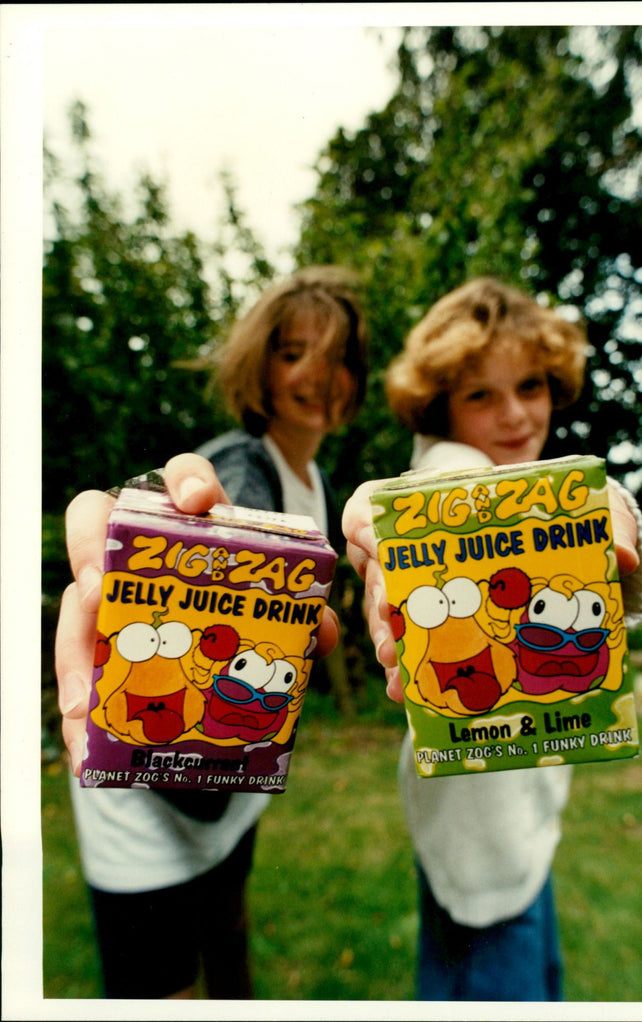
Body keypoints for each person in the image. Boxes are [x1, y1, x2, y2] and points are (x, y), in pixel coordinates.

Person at [55, 265, 368, 999]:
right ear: (258, 365)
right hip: (150, 795)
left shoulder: (314, 478)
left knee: (227, 941)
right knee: (164, 986)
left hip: (225, 781)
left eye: (338, 358)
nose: (319, 377)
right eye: (295, 353)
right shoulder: (241, 466)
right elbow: (179, 511)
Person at [342, 277, 642, 1001]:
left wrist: (610, 516)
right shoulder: (457, 471)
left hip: (516, 833)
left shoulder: (514, 475)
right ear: (443, 407)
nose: (515, 415)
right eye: (481, 395)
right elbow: (451, 498)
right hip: (482, 846)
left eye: (532, 386)